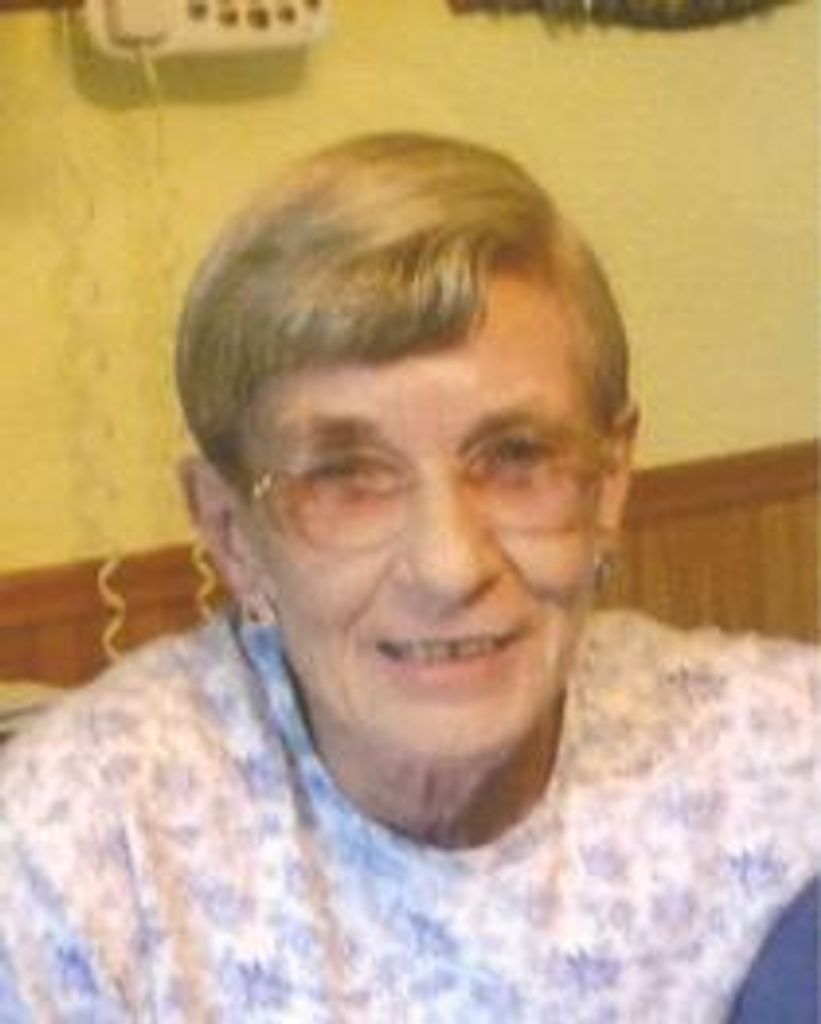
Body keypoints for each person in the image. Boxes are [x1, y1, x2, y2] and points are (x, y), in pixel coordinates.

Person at [0, 133, 816, 1021]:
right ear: (232, 533)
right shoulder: (73, 856)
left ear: (608, 481)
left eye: (515, 456)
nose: (448, 566)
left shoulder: (779, 762)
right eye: (343, 477)